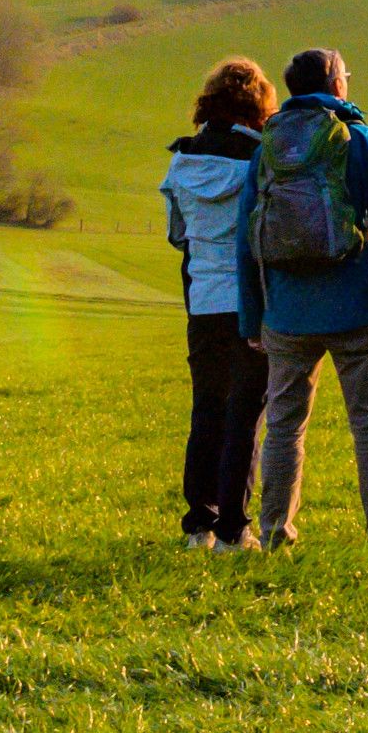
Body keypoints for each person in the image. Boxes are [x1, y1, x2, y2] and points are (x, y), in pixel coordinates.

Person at [244, 44, 368, 547]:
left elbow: (247, 236)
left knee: (283, 427)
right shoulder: (365, 142)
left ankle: (275, 536)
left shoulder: (267, 150)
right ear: (334, 84)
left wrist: (252, 318)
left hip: (285, 313)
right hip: (359, 307)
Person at [159, 55, 273, 548]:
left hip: (202, 300)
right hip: (250, 300)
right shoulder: (260, 157)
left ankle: (198, 523)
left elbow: (178, 235)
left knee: (206, 410)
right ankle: (233, 528)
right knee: (245, 414)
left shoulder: (181, 160)